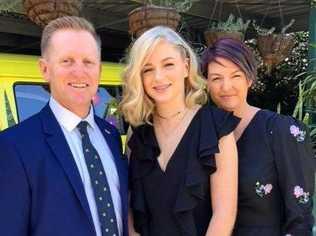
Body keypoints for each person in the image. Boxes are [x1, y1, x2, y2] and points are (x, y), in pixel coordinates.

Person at [0, 16, 128, 236]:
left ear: (99, 69)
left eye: (88, 62)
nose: (79, 72)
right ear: (44, 69)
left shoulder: (111, 135)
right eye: (67, 61)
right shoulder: (14, 146)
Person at [120, 26, 239, 236]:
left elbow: (224, 214)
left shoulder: (216, 127)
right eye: (147, 69)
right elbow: (129, 209)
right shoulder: (137, 134)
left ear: (185, 67)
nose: (158, 77)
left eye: (168, 64)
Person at [201, 38, 315, 236]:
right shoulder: (202, 133)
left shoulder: (280, 130)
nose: (226, 87)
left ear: (250, 78)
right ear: (206, 83)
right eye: (216, 78)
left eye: (235, 76)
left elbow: (300, 215)